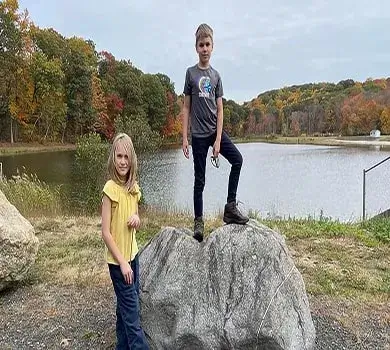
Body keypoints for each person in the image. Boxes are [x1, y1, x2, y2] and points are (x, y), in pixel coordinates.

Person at [182, 23, 249, 243]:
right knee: (199, 181)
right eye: (201, 45)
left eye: (208, 44)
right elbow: (186, 107)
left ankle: (230, 207)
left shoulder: (216, 76)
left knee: (238, 160)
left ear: (213, 46)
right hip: (198, 137)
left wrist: (219, 140)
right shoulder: (190, 74)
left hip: (213, 132)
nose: (204, 48)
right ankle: (199, 221)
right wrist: (185, 137)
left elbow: (220, 110)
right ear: (196, 47)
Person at [101, 133, 149, 350]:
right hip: (119, 263)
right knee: (133, 318)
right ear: (113, 158)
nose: (122, 161)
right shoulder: (109, 189)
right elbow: (106, 233)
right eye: (119, 156)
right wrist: (122, 263)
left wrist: (136, 219)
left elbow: (136, 216)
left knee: (124, 309)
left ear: (132, 160)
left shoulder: (134, 188)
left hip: (133, 257)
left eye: (126, 157)